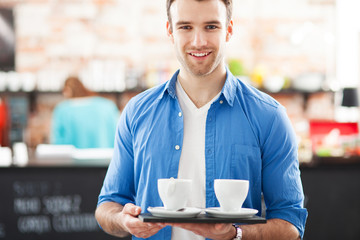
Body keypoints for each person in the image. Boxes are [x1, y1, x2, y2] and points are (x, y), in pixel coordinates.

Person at [95, 0, 308, 239]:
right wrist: (122, 220)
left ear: (228, 30)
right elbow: (108, 206)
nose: (198, 41)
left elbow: (291, 226)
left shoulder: (269, 116)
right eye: (185, 27)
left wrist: (235, 234)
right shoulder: (136, 112)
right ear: (170, 30)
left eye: (211, 27)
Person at [51, 76, 119, 148]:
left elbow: (57, 142)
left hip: (73, 158)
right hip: (106, 157)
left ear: (67, 90)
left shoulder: (62, 110)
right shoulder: (107, 105)